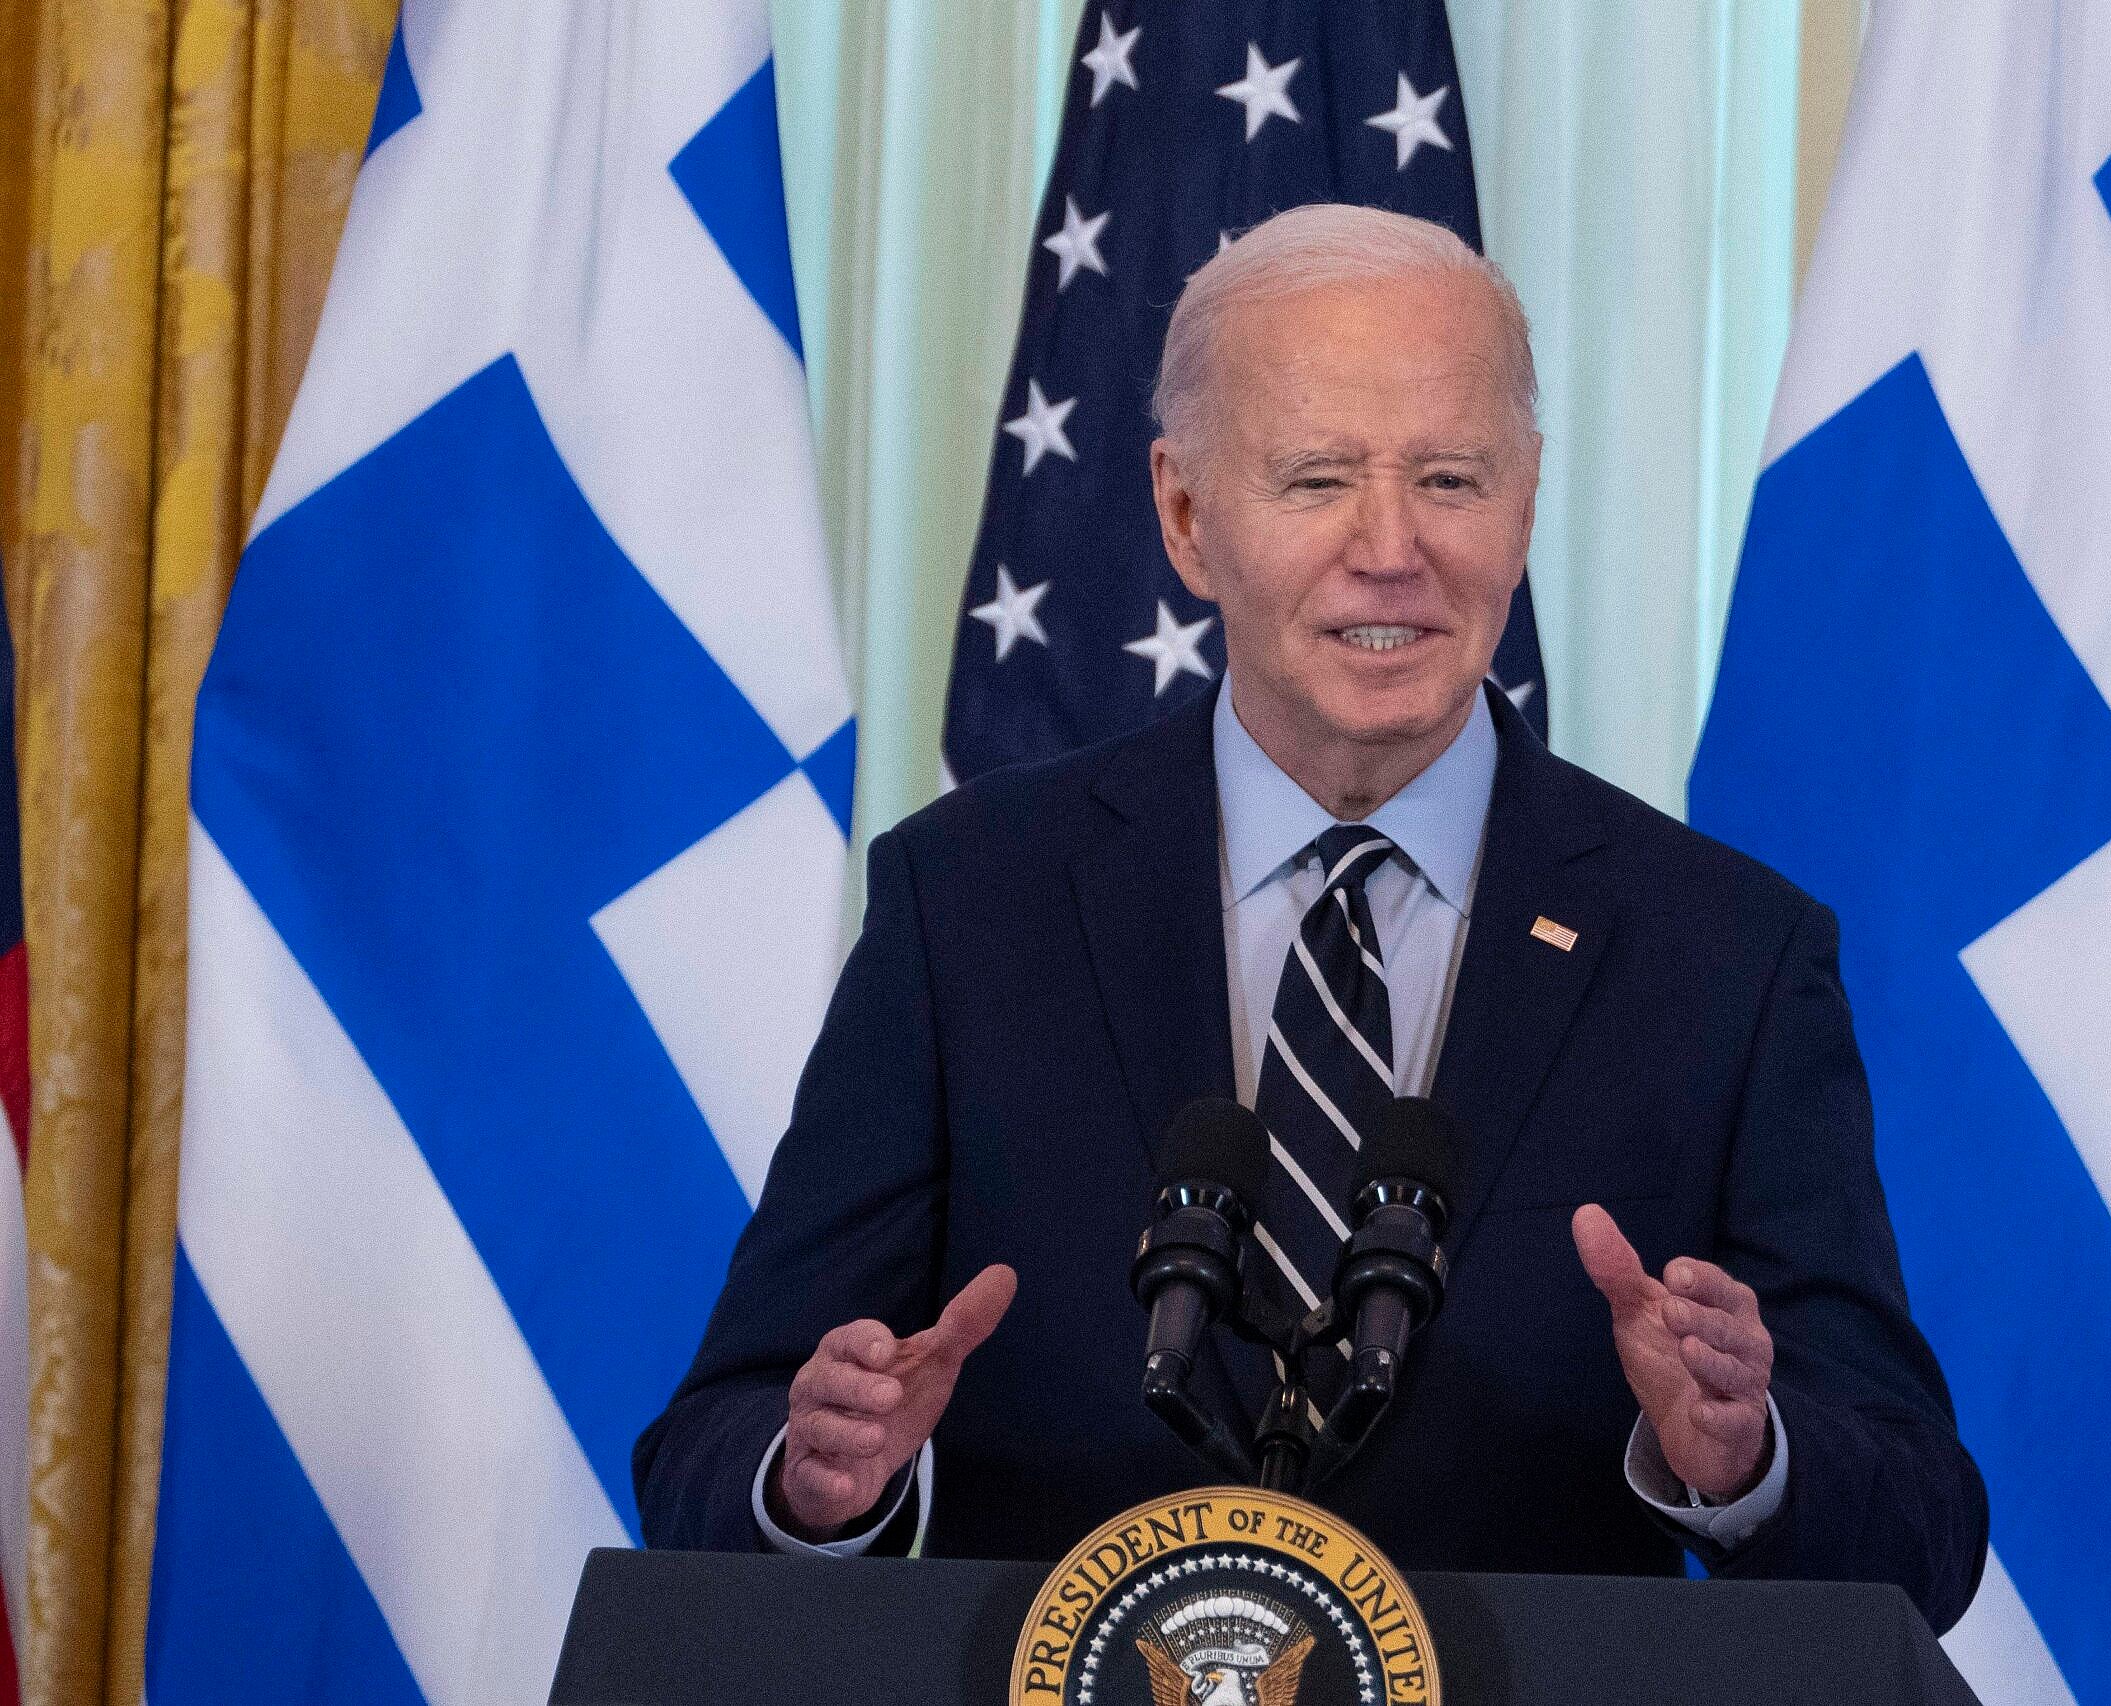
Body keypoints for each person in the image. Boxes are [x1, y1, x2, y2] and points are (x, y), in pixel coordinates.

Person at [634, 204, 1988, 1631]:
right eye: (1318, 479)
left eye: (1451, 478)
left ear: (1527, 503)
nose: (1390, 548)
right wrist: (821, 1478)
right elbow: (709, 1456)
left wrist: (1746, 1457)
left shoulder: (1726, 956)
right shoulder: (969, 907)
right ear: (1184, 514)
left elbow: (1922, 1529)